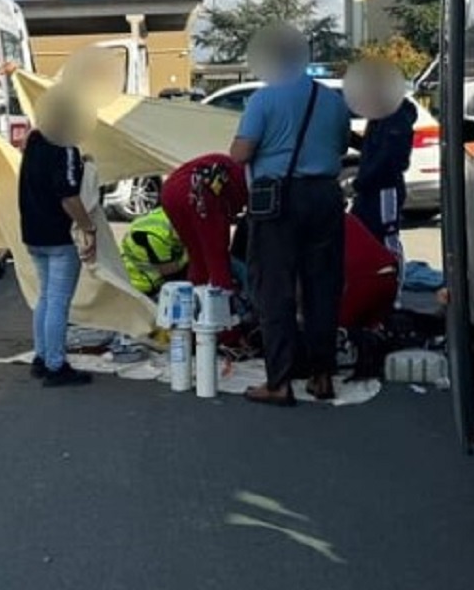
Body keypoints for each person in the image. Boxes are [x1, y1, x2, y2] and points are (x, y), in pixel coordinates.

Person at [230, 26, 350, 405]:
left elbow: (240, 153)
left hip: (280, 201)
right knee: (322, 288)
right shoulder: (332, 100)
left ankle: (279, 382)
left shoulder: (264, 99)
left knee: (275, 291)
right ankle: (322, 376)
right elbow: (342, 144)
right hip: (326, 197)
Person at [19, 86, 98, 387]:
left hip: (33, 233)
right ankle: (55, 364)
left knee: (45, 297)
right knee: (58, 301)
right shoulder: (64, 147)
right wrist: (88, 227)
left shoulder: (35, 140)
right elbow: (68, 196)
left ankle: (41, 356)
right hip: (58, 236)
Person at [352, 69, 417, 258]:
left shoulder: (395, 117)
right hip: (374, 189)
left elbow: (388, 157)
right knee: (367, 235)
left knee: (387, 240)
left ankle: (393, 279)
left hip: (384, 188)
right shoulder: (382, 116)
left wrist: (364, 180)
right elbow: (372, 148)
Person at [160, 153, 248, 291]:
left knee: (197, 254)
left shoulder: (233, 164)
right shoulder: (255, 174)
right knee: (216, 255)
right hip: (201, 193)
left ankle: (196, 298)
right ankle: (221, 301)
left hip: (170, 192)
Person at [120, 206, 188, 298]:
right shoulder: (156, 236)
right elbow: (167, 270)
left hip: (151, 281)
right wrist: (188, 256)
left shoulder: (169, 216)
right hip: (140, 285)